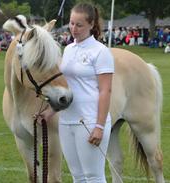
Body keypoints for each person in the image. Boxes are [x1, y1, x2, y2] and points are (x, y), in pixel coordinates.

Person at [36, 2, 114, 183]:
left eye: (79, 25)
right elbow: (66, 87)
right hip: (66, 121)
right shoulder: (69, 49)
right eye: (71, 23)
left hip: (89, 121)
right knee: (78, 177)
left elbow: (106, 90)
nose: (73, 28)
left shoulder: (100, 52)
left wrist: (99, 126)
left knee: (93, 176)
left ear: (91, 24)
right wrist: (50, 111)